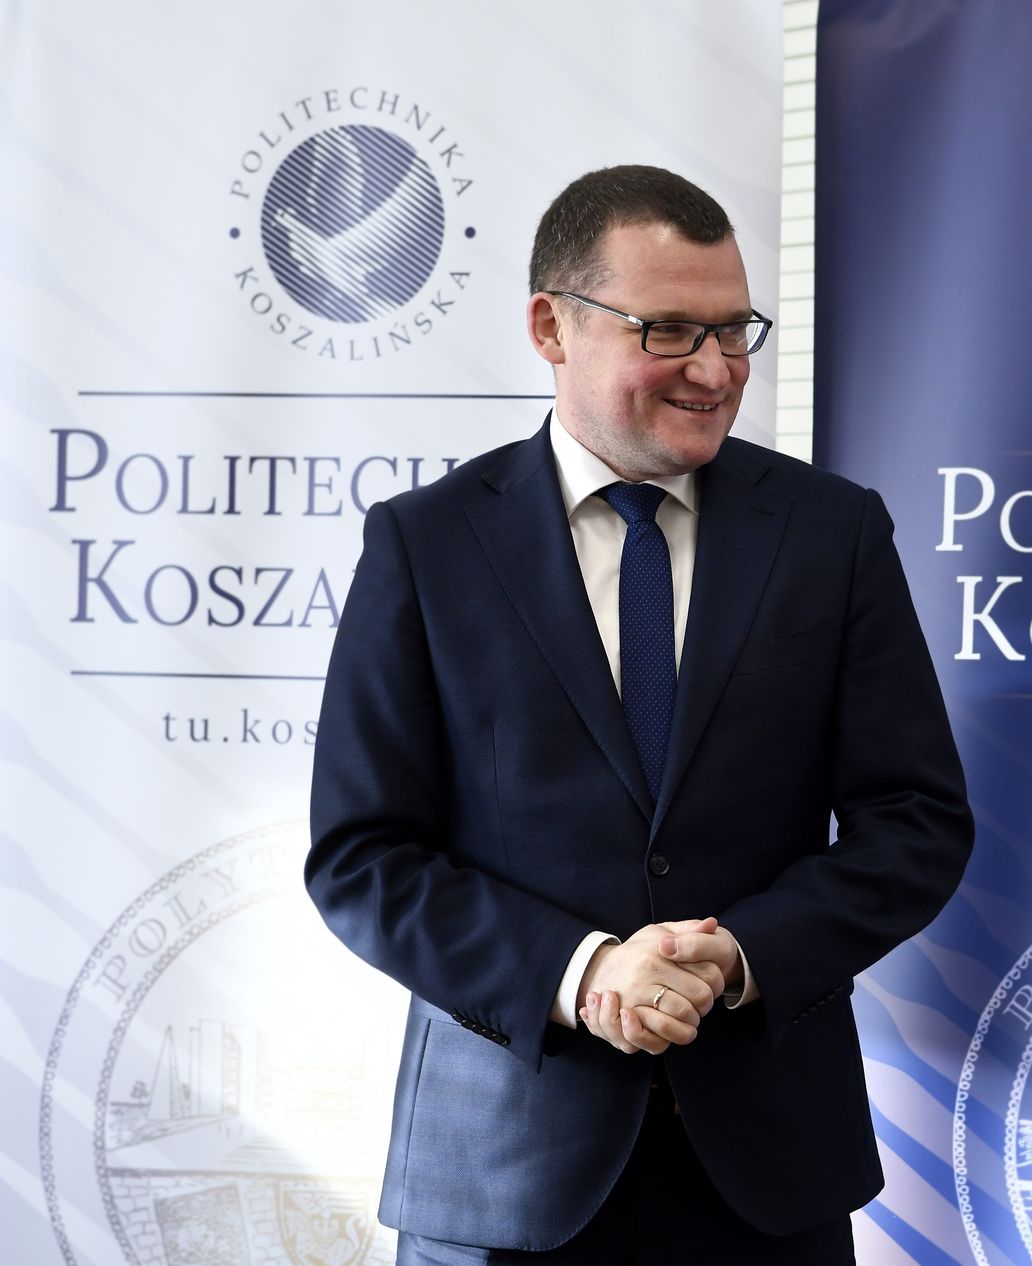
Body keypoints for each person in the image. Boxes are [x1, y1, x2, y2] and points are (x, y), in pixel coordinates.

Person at [306, 164, 974, 1265]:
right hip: (501, 1179)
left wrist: (742, 955)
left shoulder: (832, 532)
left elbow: (917, 822)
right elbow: (363, 856)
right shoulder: (427, 545)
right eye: (668, 331)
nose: (714, 370)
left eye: (733, 331)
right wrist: (581, 973)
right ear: (550, 327)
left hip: (769, 1177)